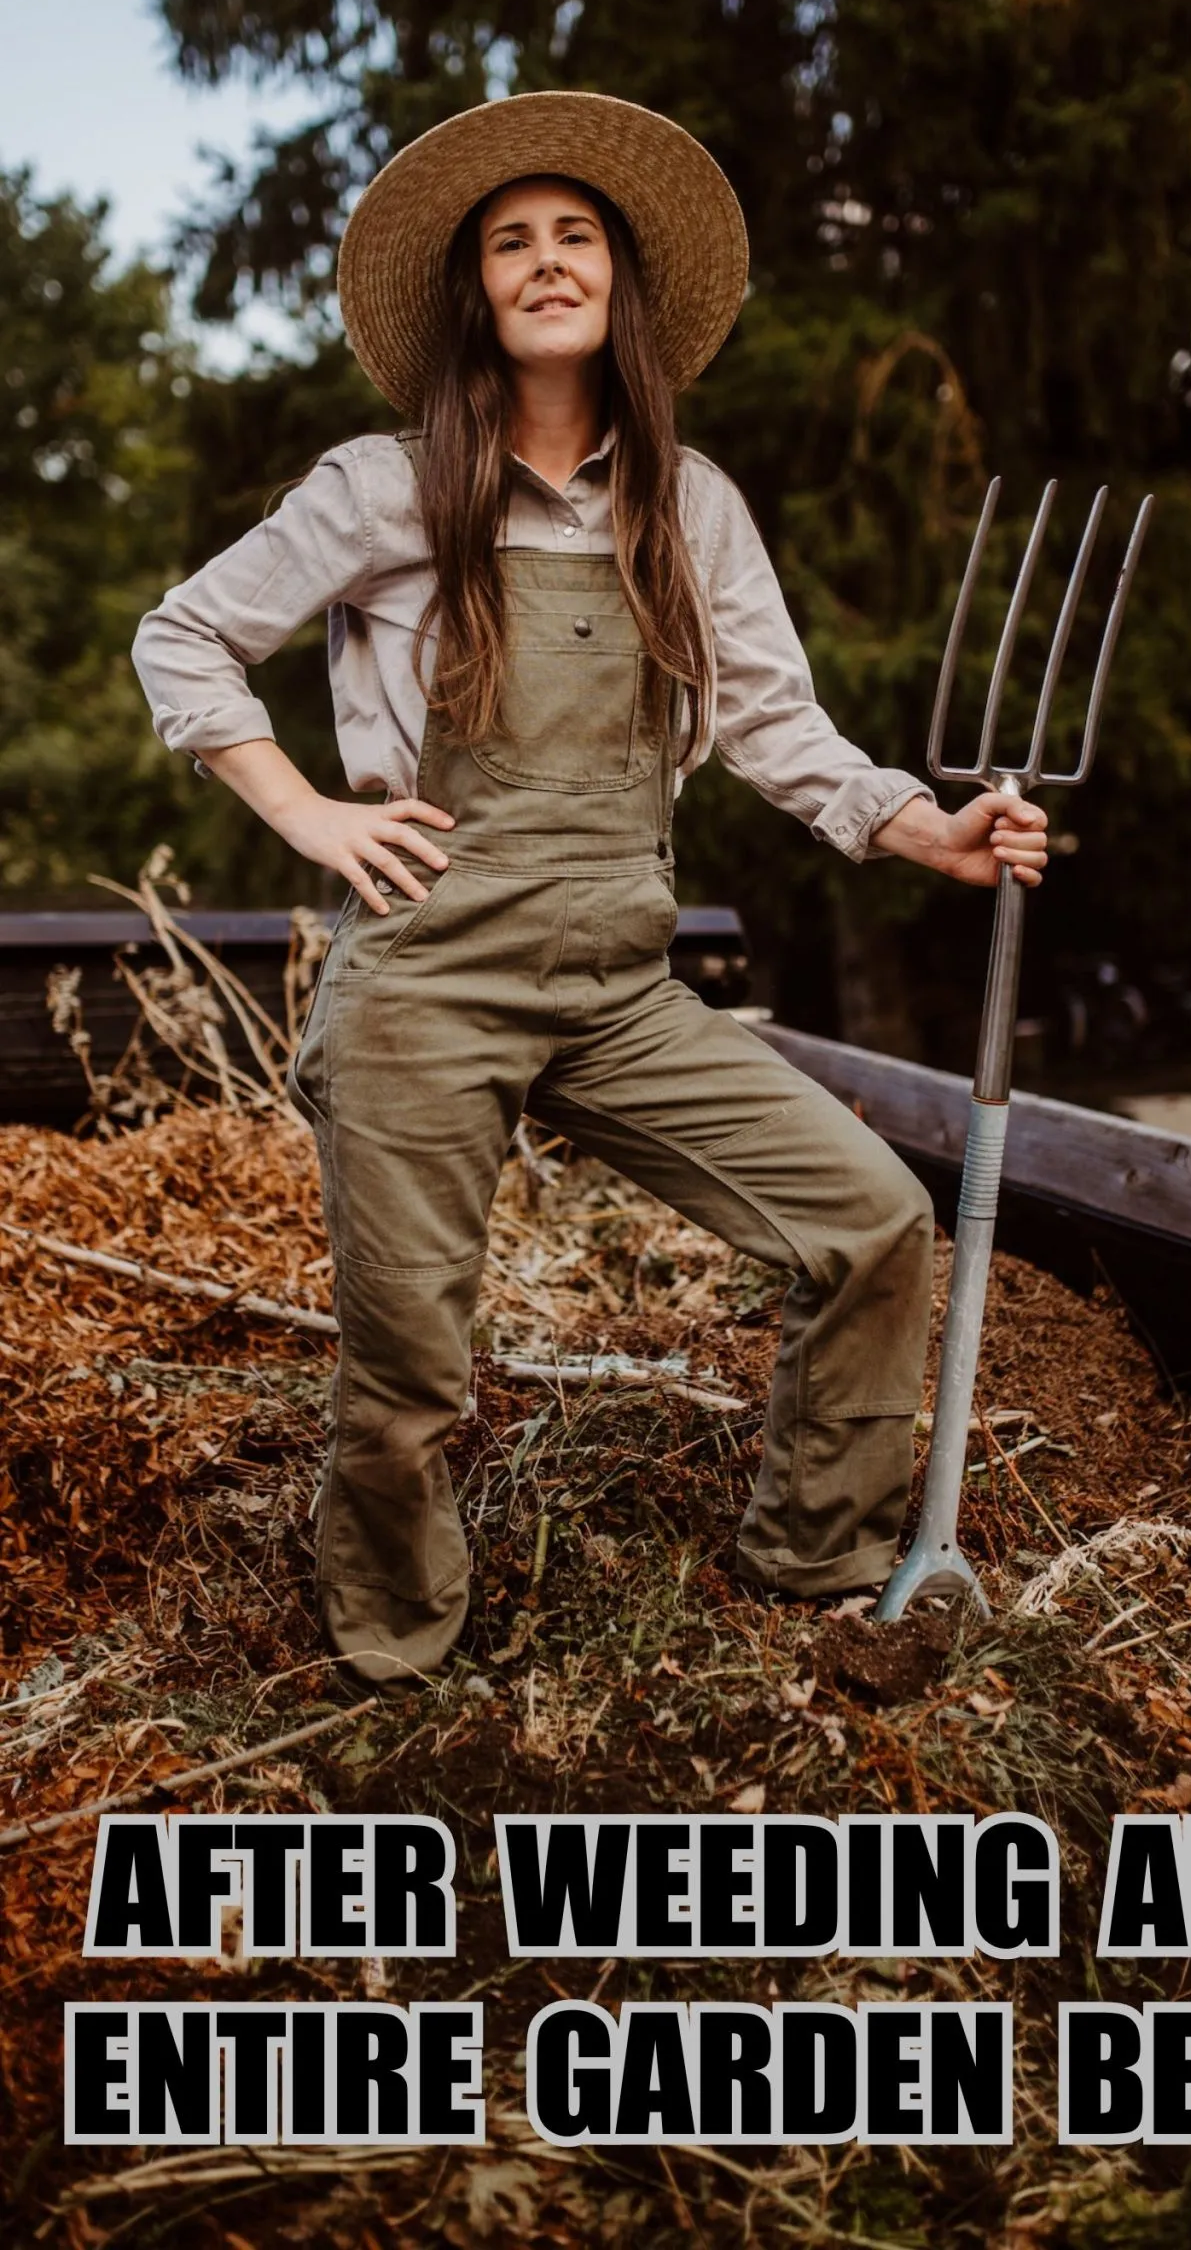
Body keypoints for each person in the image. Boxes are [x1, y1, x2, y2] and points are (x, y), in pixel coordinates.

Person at [132, 91, 1047, 1692]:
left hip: (620, 986)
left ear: (620, 282)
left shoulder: (692, 508)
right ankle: (397, 1667)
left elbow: (775, 724)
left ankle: (811, 1563)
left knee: (871, 1220)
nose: (547, 263)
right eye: (512, 244)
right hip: (428, 981)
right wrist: (304, 816)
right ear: (476, 295)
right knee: (411, 1363)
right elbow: (183, 636)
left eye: (575, 238)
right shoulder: (387, 485)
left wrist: (928, 831)